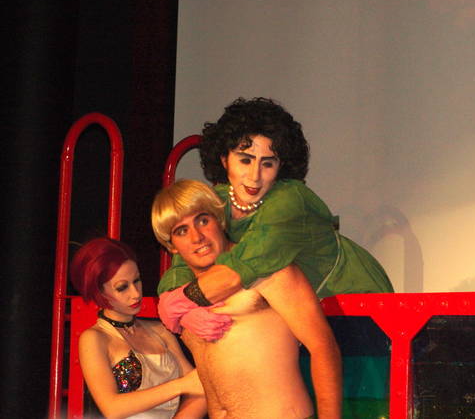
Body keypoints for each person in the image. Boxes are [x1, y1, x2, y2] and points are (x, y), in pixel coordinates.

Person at [157, 96, 394, 307]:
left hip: (358, 306)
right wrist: (177, 303)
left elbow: (236, 273)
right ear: (224, 159)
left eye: (268, 163)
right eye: (245, 160)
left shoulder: (289, 201)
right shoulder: (214, 201)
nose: (255, 176)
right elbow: (181, 267)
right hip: (296, 312)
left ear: (281, 166)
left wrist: (177, 305)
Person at [152, 179, 342, 418]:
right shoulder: (183, 298)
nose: (197, 236)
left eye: (203, 220)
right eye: (181, 231)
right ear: (171, 246)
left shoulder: (269, 271)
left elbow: (324, 347)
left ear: (219, 220)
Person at [69, 237, 207, 419]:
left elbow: (200, 389)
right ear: (99, 292)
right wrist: (180, 386)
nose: (135, 294)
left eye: (137, 280)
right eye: (122, 288)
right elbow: (112, 408)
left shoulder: (160, 330)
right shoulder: (94, 338)